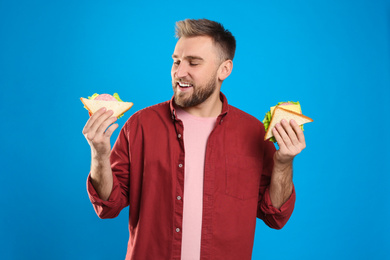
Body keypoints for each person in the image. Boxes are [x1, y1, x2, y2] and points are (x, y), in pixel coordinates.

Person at [82, 18, 306, 260]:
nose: (179, 72)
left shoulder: (253, 133)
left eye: (193, 62)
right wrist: (99, 155)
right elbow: (108, 206)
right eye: (176, 62)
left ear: (225, 69)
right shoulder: (140, 126)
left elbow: (275, 216)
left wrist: (283, 164)